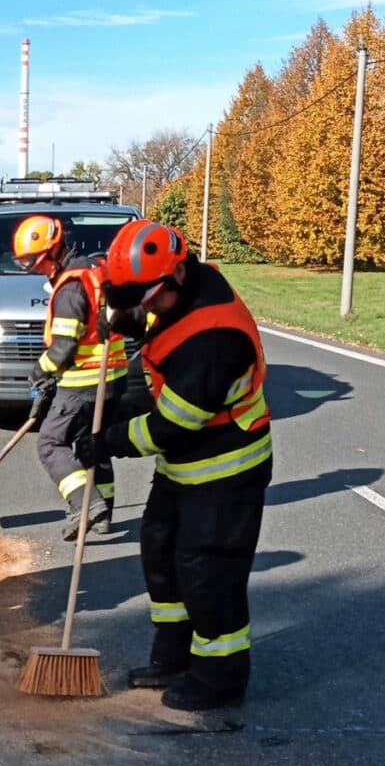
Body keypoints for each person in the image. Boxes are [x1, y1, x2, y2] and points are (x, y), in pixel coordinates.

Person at [74, 219, 272, 712]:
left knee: (208, 572)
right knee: (161, 552)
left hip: (226, 468)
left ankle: (219, 677)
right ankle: (173, 655)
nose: (140, 305)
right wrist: (125, 319)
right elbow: (160, 316)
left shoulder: (214, 341)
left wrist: (108, 442)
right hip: (184, 467)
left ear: (178, 273)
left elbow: (170, 427)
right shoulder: (180, 290)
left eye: (146, 297)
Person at [12, 214, 131, 542]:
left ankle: (86, 504)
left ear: (52, 251)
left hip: (85, 382)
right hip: (114, 376)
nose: (35, 270)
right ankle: (104, 512)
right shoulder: (95, 269)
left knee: (51, 444)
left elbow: (64, 348)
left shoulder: (70, 288)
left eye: (35, 262)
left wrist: (40, 372)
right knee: (93, 444)